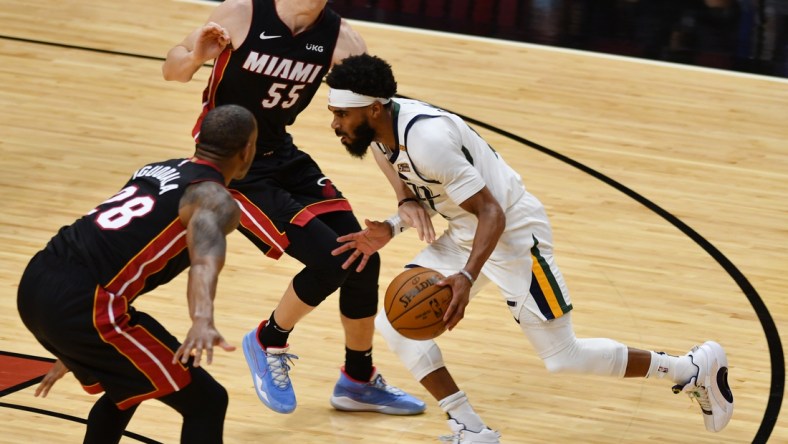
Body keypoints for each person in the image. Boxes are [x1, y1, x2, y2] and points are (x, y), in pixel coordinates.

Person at [325, 53, 734, 443]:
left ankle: (690, 367)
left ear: (374, 109)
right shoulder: (381, 133)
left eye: (341, 115)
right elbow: (398, 169)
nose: (335, 124)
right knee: (397, 326)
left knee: (563, 357)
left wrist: (467, 276)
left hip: (513, 234)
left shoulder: (428, 139)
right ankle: (472, 429)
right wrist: (401, 212)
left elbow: (493, 212)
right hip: (468, 230)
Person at [161, 0, 424, 416]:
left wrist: (404, 194)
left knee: (361, 258)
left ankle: (357, 380)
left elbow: (372, 123)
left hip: (282, 154)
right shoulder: (241, 13)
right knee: (334, 259)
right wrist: (195, 57)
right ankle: (268, 339)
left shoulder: (342, 40)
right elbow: (171, 68)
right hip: (233, 166)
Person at [17, 105, 258, 443]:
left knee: (126, 388)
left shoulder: (157, 168)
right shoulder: (213, 198)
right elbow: (204, 261)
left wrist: (70, 341)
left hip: (38, 279)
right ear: (247, 150)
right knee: (207, 401)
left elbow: (112, 241)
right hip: (84, 302)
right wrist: (202, 319)